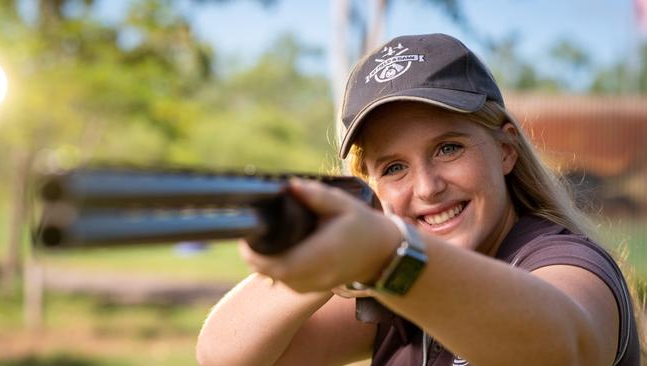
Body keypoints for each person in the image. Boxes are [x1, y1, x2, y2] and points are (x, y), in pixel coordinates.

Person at [196, 33, 641, 366]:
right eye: (393, 168)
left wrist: (384, 256)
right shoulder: (396, 282)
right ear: (370, 186)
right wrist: (320, 253)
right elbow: (225, 356)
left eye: (449, 148)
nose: (427, 187)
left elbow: (564, 348)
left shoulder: (561, 259)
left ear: (506, 149)